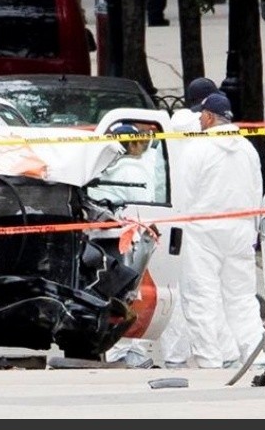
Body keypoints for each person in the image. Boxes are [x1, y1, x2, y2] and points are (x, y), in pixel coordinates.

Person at [179, 93, 265, 369]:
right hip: (241, 229)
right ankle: (257, 356)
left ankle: (210, 360)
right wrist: (252, 231)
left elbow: (184, 194)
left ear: (208, 117)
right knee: (242, 298)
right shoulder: (247, 149)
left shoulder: (197, 149)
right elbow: (257, 191)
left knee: (202, 297)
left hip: (202, 231)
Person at [162, 78, 245, 369]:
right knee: (230, 296)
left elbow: (185, 186)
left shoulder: (186, 129)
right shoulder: (241, 145)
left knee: (198, 295)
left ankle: (200, 356)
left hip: (195, 222)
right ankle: (235, 354)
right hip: (232, 224)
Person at [95, 124, 156, 368]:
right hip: (139, 237)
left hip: (124, 239)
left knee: (121, 293)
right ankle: (131, 348)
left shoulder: (117, 172)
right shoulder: (141, 169)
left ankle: (119, 349)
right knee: (134, 293)